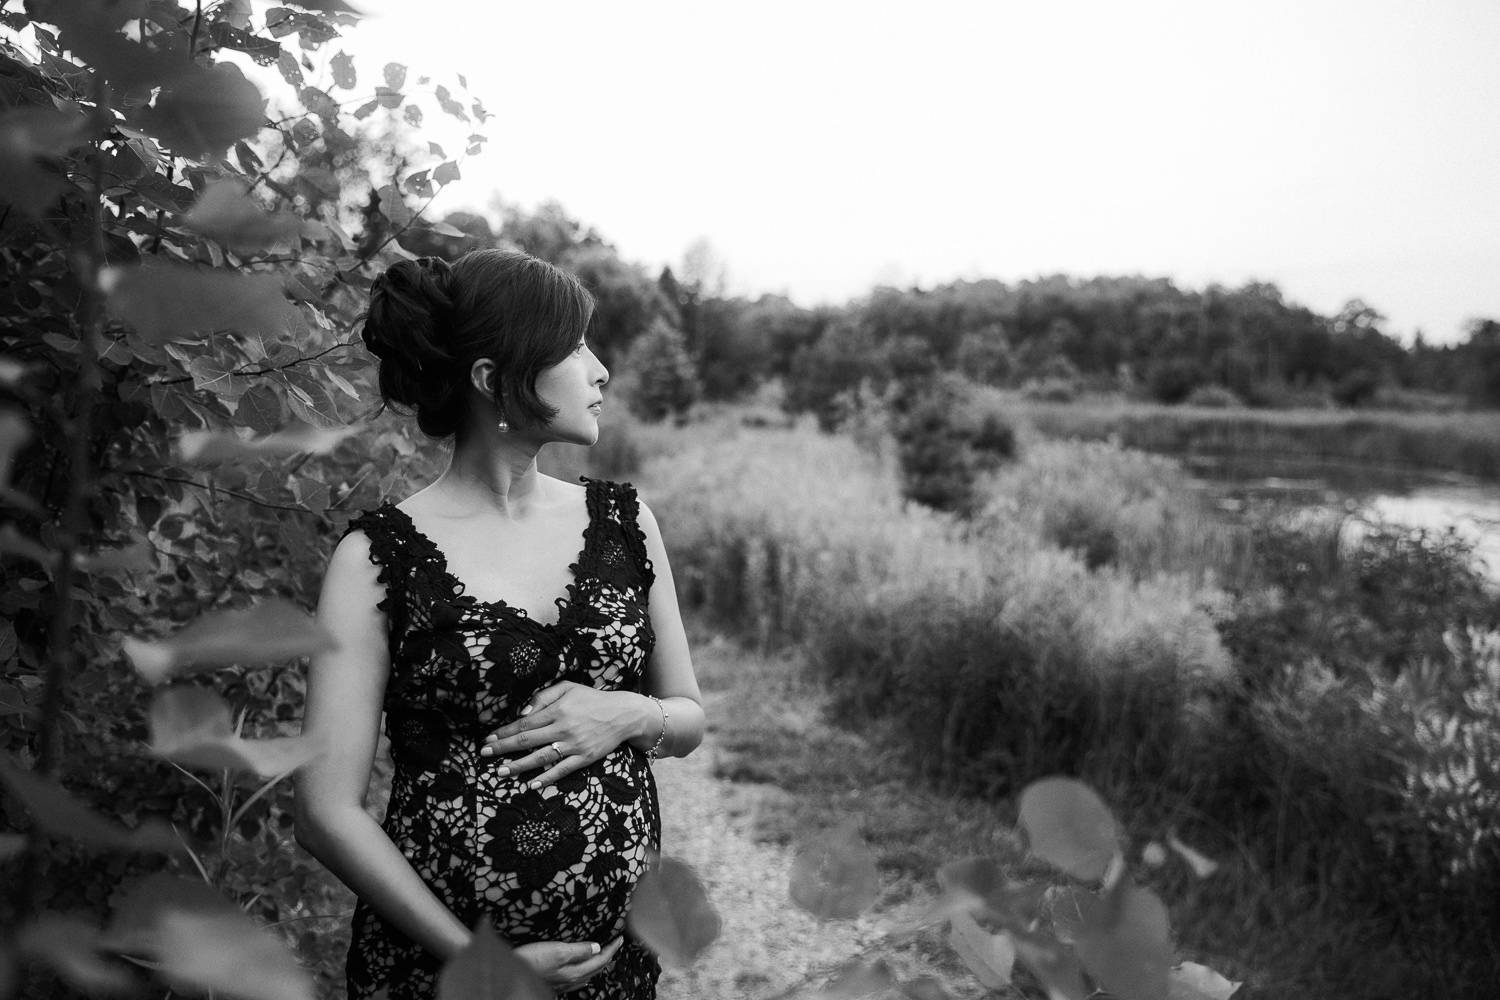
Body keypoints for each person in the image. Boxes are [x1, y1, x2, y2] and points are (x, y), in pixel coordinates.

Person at [295, 249, 705, 999]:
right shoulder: (375, 559)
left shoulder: (625, 525)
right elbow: (324, 811)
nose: (600, 369)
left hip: (613, 968)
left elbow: (688, 718)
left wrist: (626, 713)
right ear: (493, 380)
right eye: (573, 348)